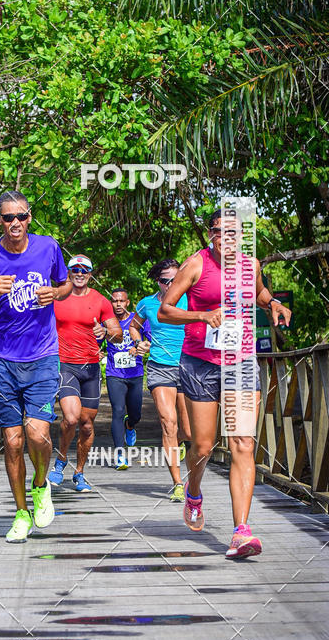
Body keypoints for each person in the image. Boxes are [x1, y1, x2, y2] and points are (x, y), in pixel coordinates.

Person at [158, 209, 292, 558]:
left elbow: (260, 293)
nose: (226, 239)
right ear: (210, 233)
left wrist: (274, 303)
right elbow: (165, 311)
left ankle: (241, 532)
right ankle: (194, 492)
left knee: (244, 444)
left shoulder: (252, 265)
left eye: (234, 233)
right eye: (220, 231)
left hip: (241, 363)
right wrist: (202, 314)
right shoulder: (196, 265)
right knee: (202, 447)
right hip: (200, 362)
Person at [0, 191, 73, 543]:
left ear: (30, 217)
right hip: (2, 360)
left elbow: (66, 285)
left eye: (21, 216)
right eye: (8, 218)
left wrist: (56, 294)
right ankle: (21, 513)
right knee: (12, 440)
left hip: (41, 356)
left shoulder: (48, 247)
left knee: (37, 434)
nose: (15, 223)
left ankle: (41, 486)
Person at [49, 255, 122, 491]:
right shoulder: (56, 297)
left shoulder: (100, 301)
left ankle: (79, 473)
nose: (80, 273)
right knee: (70, 418)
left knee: (87, 425)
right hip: (65, 364)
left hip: (90, 367)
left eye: (85, 270)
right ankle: (60, 461)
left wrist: (106, 331)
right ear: (68, 272)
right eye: (75, 269)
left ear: (90, 274)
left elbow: (118, 333)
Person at [131, 259, 191, 503]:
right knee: (168, 422)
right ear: (158, 281)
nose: (171, 285)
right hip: (160, 367)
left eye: (176, 280)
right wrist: (139, 342)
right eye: (166, 281)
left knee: (187, 430)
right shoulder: (147, 303)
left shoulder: (191, 300)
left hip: (189, 366)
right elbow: (134, 326)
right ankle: (178, 483)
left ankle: (176, 444)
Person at [101, 288, 151, 470]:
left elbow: (150, 342)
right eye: (115, 301)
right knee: (118, 411)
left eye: (122, 301)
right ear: (111, 303)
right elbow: (97, 341)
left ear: (127, 302)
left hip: (135, 374)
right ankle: (120, 455)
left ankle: (130, 426)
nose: (118, 304)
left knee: (135, 414)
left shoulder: (137, 321)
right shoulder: (106, 322)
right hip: (115, 374)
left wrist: (140, 347)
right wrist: (98, 351)